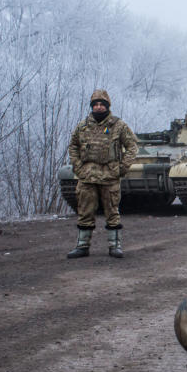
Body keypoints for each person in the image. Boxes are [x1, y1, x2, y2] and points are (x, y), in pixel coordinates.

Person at [66, 89, 137, 259]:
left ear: (107, 106)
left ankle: (115, 246)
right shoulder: (82, 126)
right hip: (87, 176)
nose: (98, 107)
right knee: (85, 211)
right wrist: (78, 166)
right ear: (92, 106)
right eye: (95, 104)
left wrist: (122, 168)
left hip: (109, 175)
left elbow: (132, 146)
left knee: (112, 211)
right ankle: (82, 246)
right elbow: (73, 146)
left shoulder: (118, 125)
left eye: (101, 104)